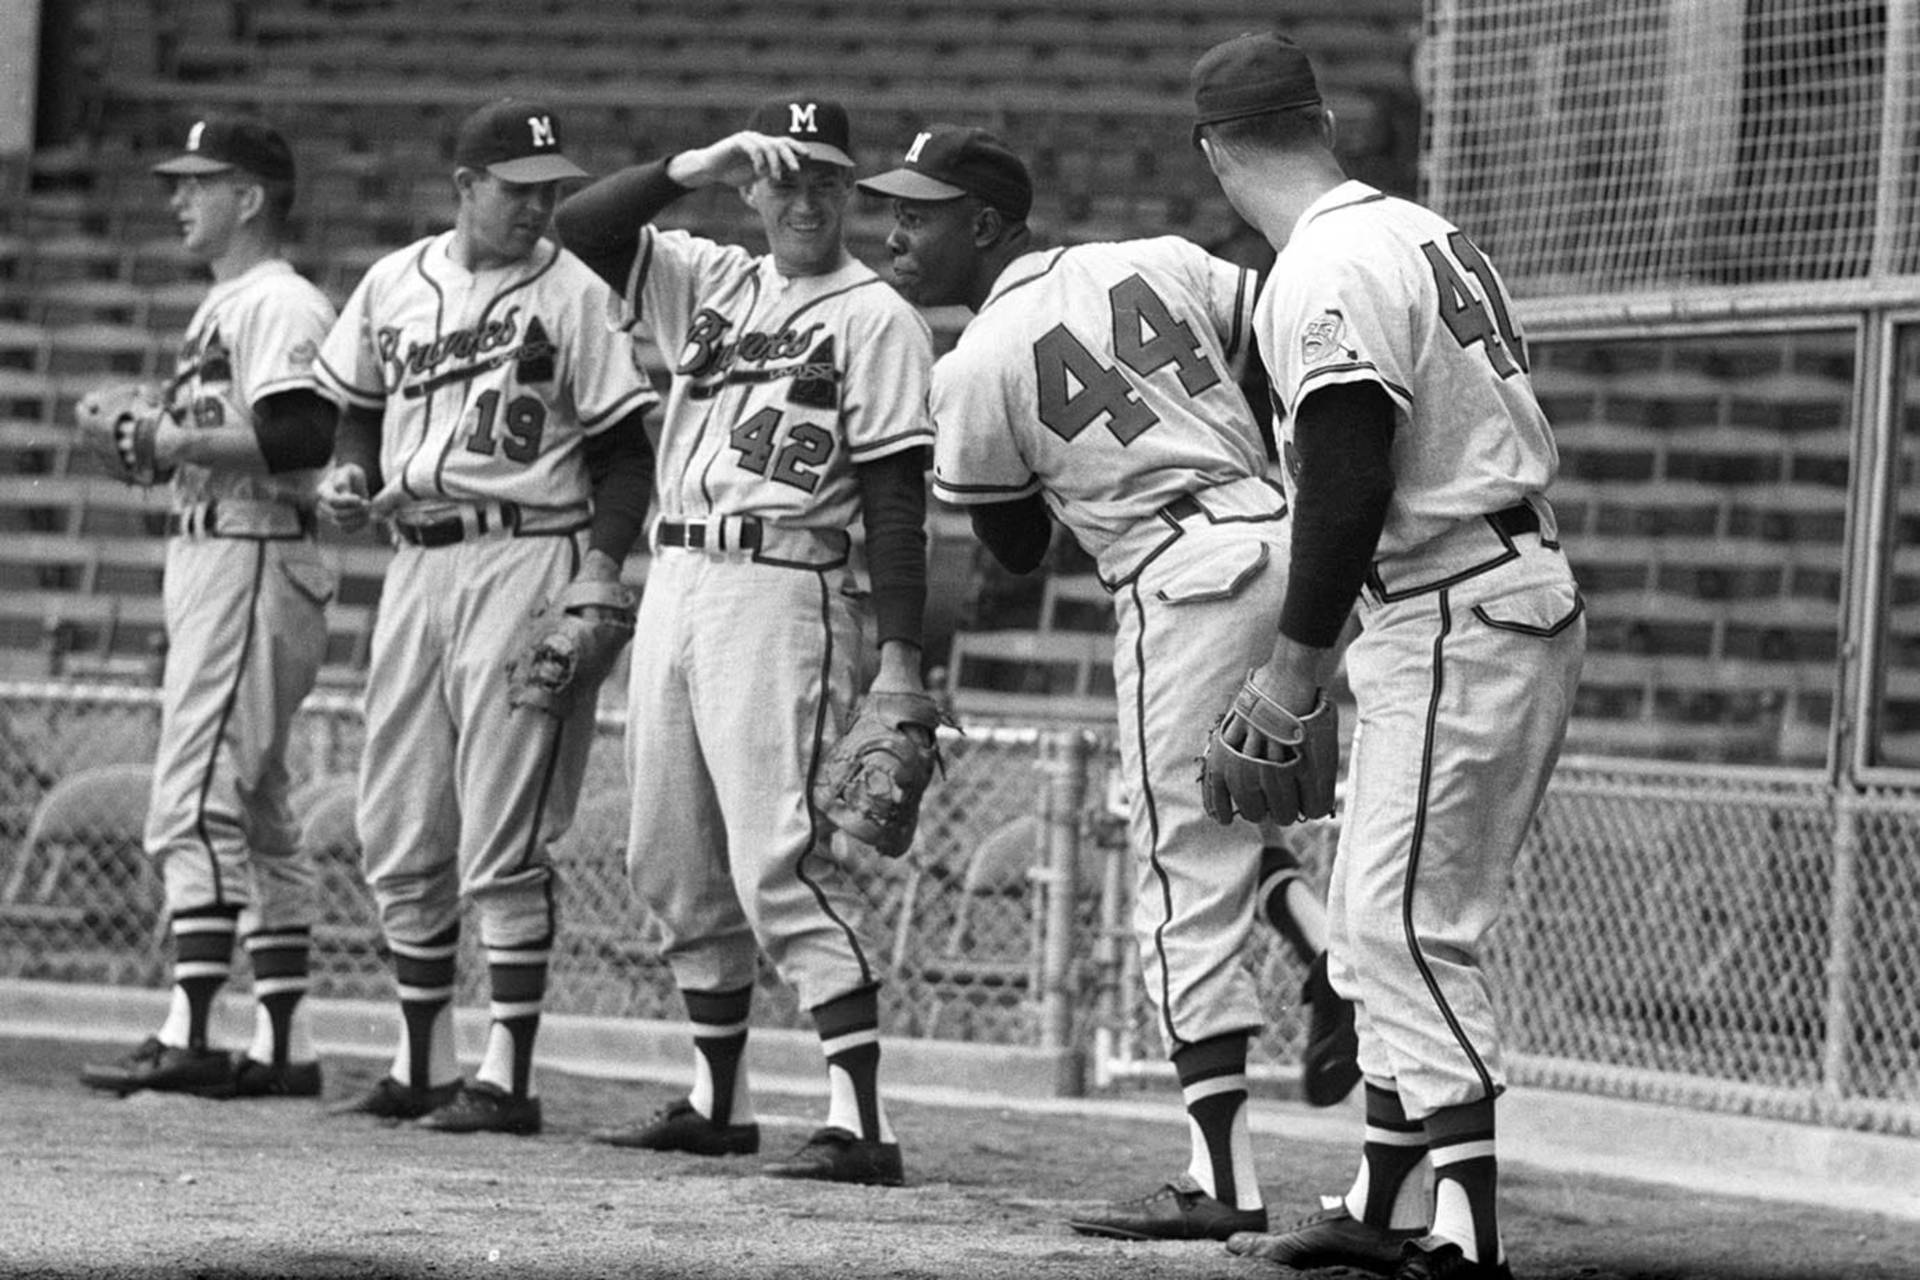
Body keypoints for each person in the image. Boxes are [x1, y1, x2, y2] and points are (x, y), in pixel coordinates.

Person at [856, 123, 1358, 1240]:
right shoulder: (1164, 256)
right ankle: (1329, 952)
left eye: (919, 211)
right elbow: (1280, 335)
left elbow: (1019, 551)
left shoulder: (974, 362)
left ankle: (1218, 1173)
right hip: (1294, 543)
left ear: (984, 225)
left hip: (1182, 577)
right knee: (1219, 818)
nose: (893, 229)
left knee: (1180, 872)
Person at [1190, 32, 1587, 1280]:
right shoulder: (1410, 227)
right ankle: (1381, 1187)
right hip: (1479, 584)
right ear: (1318, 122)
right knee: (1376, 911)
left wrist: (1293, 669)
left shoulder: (1322, 266)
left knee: (1399, 915)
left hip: (1455, 594)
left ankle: (1465, 1230)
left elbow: (1351, 477)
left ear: (1215, 153)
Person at [552, 96, 935, 1186]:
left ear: (852, 192)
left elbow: (899, 500)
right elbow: (583, 227)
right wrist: (699, 160)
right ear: (755, 191)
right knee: (667, 851)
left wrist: (900, 655)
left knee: (782, 851)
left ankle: (860, 1119)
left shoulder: (878, 316)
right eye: (784, 176)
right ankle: (719, 1099)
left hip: (784, 580)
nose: (805, 197)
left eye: (827, 179)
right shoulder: (711, 279)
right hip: (676, 574)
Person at [311, 97, 659, 1136]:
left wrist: (600, 566)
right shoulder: (393, 280)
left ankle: (506, 1075)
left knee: (503, 829)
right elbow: (358, 408)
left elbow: (623, 451)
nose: (538, 206)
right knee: (401, 821)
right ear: (464, 186)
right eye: (517, 189)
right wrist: (347, 470)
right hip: (416, 561)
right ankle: (422, 1061)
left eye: (552, 190)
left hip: (527, 554)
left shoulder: (576, 289)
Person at [79, 115, 341, 1101]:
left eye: (202, 181)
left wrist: (173, 438)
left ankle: (191, 1025)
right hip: (226, 551)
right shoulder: (228, 303)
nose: (179, 198)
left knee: (191, 798)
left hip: (248, 555)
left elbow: (300, 430)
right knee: (262, 806)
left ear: (254, 196)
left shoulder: (278, 301)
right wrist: (170, 439)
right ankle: (283, 1041)